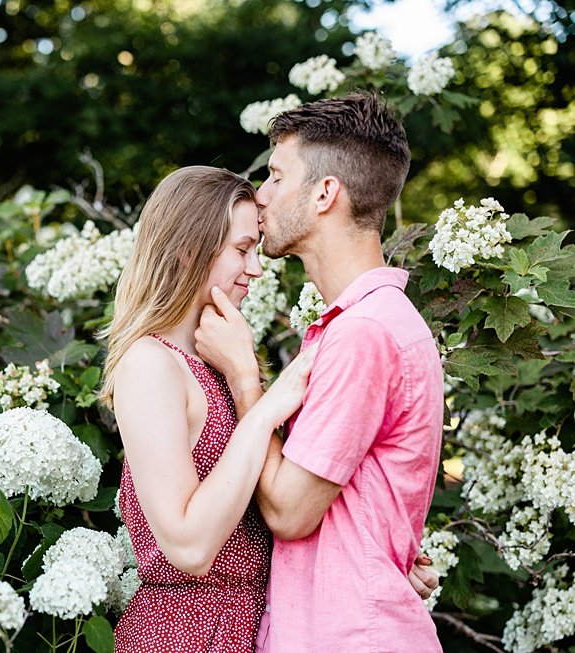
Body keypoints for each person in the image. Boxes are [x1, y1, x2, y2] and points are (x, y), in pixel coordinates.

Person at [194, 92, 445, 651]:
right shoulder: (361, 324)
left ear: (326, 193)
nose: (261, 196)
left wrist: (243, 375)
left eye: (277, 177)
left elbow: (289, 510)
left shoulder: (364, 334)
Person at [99, 165, 317, 652]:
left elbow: (279, 503)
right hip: (185, 635)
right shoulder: (149, 364)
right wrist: (262, 410)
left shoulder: (220, 364)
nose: (256, 269)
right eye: (242, 250)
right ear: (189, 250)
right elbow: (188, 546)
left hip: (253, 626)